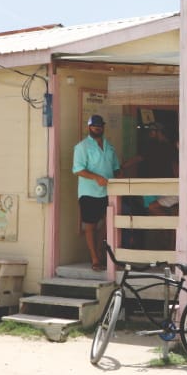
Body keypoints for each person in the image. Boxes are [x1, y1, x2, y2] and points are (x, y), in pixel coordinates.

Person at [72, 114, 119, 271]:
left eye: (99, 125)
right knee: (90, 226)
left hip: (108, 192)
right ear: (89, 127)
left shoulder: (109, 146)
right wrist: (96, 177)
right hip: (89, 192)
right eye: (94, 125)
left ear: (103, 127)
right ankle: (94, 258)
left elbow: (116, 168)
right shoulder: (82, 147)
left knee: (108, 223)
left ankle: (100, 251)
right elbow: (78, 169)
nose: (97, 127)